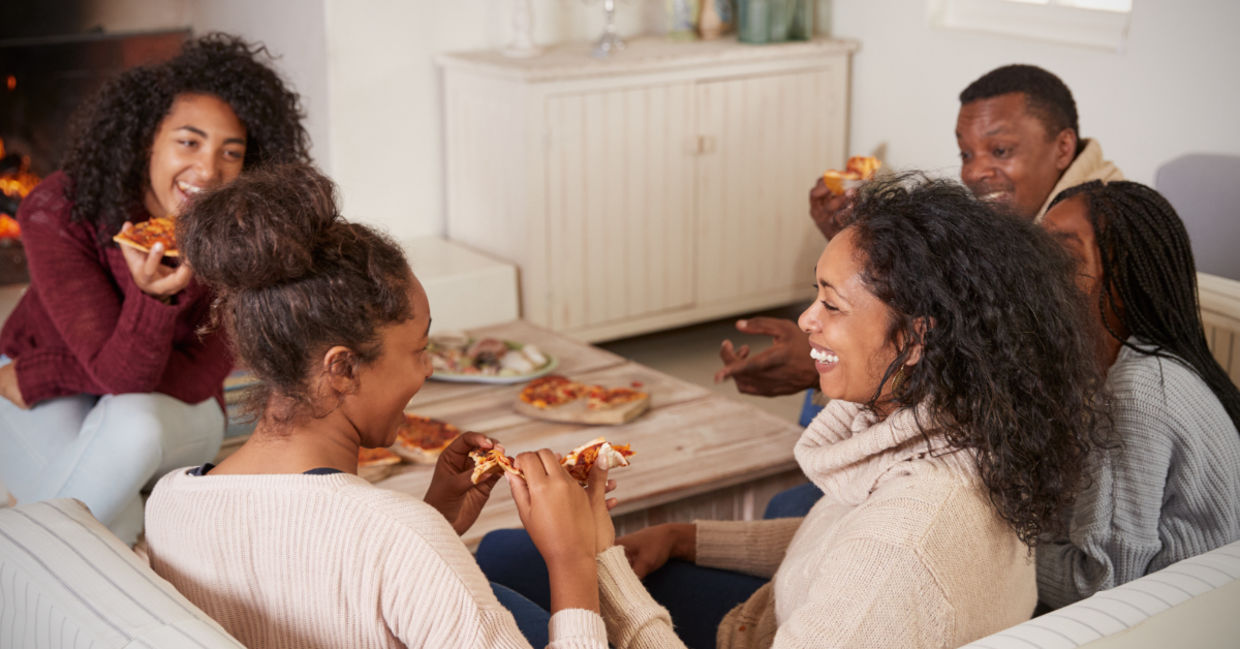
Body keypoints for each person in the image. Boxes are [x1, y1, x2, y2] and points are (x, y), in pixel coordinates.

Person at [481, 175, 1108, 649]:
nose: (807, 320)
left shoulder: (901, 550)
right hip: (769, 617)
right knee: (508, 552)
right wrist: (683, 537)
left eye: (831, 304)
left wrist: (592, 563)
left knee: (498, 596)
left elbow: (873, 559)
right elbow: (838, 545)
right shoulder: (957, 424)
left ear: (917, 337)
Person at [143, 163, 612, 649]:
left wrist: (435, 523)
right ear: (343, 369)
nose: (427, 368)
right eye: (419, 348)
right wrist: (573, 557)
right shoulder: (399, 539)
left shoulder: (169, 502)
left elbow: (313, 579)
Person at [0, 34, 311, 544]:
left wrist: (43, 372)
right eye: (189, 142)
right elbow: (116, 370)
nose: (208, 171)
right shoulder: (60, 207)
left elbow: (194, 375)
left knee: (133, 422)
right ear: (147, 138)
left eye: (231, 152)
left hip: (152, 404)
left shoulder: (249, 234)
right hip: (30, 383)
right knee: (114, 523)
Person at [718, 64, 1124, 431]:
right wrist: (848, 247)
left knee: (827, 411)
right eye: (966, 153)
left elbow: (1021, 377)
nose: (974, 172)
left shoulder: (1084, 233)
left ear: (1063, 147)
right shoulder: (1021, 221)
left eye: (1000, 151)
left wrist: (828, 365)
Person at [1036, 180, 1240, 608]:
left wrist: (1002, 554)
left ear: (1122, 278)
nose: (1035, 272)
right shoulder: (1130, 370)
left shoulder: (1138, 393)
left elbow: (1098, 585)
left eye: (1060, 256)